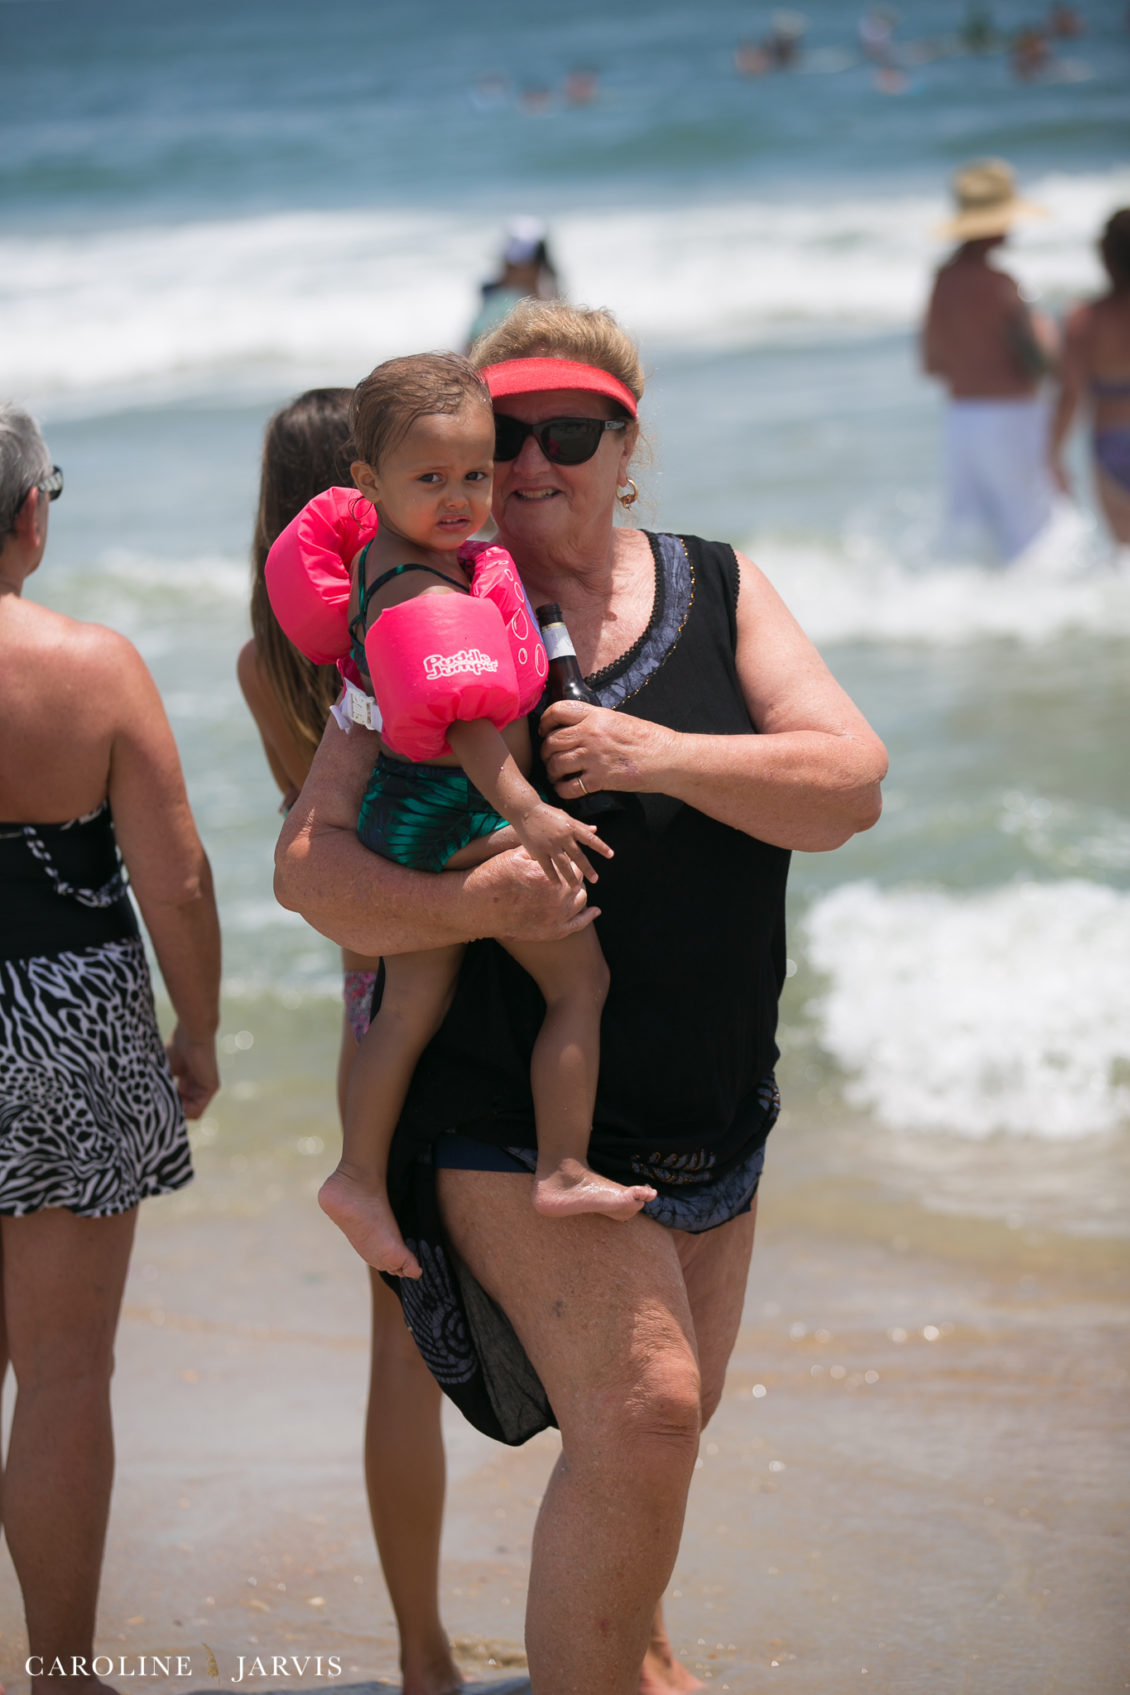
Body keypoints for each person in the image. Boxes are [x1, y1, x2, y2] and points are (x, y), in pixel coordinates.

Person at [274, 301, 888, 1695]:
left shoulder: (717, 584)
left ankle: (634, 1658)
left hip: (710, 1106)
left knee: (662, 1431)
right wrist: (470, 907)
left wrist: (655, 754)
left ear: (626, 447)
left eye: (570, 433)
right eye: (504, 436)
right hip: (499, 1110)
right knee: (647, 1410)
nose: (531, 463)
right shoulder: (424, 615)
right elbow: (309, 870)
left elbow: (847, 788)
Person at [279, 354, 650, 1278]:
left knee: (408, 1008)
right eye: (431, 479)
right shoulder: (421, 589)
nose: (460, 499)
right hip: (449, 818)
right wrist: (530, 816)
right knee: (581, 981)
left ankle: (356, 1177)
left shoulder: (387, 558)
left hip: (402, 812)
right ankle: (563, 1168)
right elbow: (469, 728)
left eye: (475, 475)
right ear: (368, 482)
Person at [236, 387, 464, 1695]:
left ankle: (423, 1654)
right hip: (479, 961)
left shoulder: (266, 660)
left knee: (401, 1345)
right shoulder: (431, 612)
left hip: (368, 993)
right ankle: (619, 1622)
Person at [0, 403, 221, 1688]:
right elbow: (175, 877)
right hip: (70, 1022)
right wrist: (199, 1029)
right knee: (65, 1374)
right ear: (31, 514)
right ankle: (63, 1676)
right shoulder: (92, 667)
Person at [922, 158, 1060, 562]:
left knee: (972, 535)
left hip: (961, 417)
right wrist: (1044, 327)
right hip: (1010, 413)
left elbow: (931, 362)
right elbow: (1043, 361)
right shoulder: (1003, 285)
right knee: (1032, 533)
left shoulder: (943, 282)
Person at [1049, 208, 1130, 547]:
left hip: (1111, 443)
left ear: (1105, 258)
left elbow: (1070, 394)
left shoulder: (1084, 319)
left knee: (1125, 555)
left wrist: (1052, 454)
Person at [465, 218, 559, 352]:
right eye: (506, 264)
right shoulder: (499, 302)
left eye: (513, 266)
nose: (505, 270)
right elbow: (470, 347)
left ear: (535, 267)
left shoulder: (548, 302)